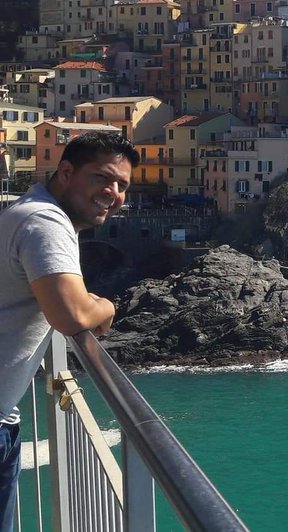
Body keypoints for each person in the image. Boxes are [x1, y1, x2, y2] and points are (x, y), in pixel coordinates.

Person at [0, 132, 139, 531]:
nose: (112, 193)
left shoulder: (28, 210)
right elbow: (71, 316)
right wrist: (106, 305)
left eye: (122, 186)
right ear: (65, 172)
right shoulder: (45, 221)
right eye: (102, 178)